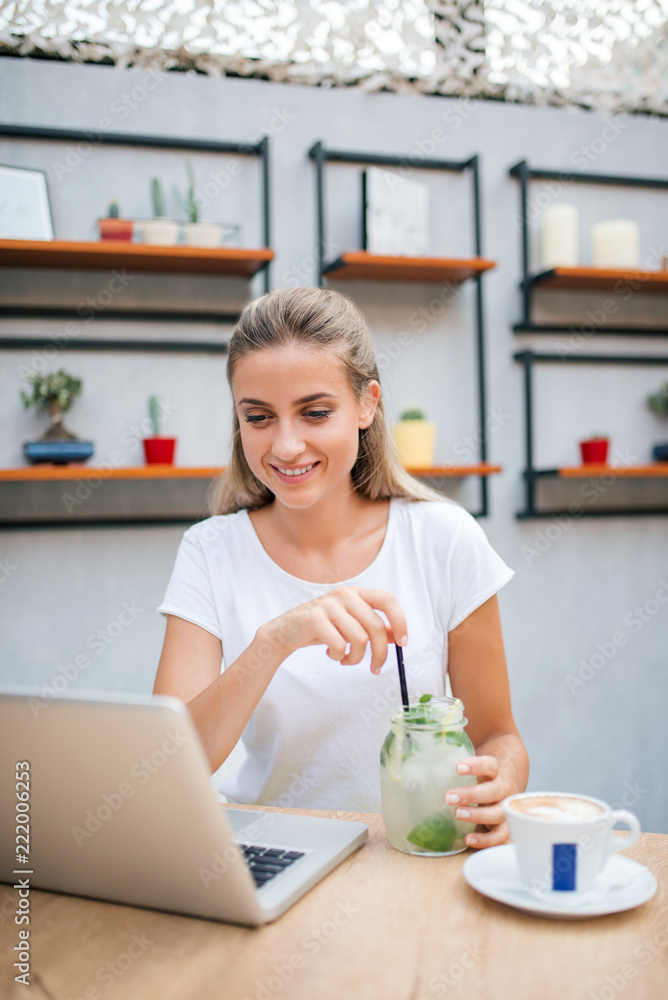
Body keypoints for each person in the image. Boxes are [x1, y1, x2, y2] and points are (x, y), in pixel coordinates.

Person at [153, 287, 528, 849]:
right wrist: (278, 638)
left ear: (366, 404)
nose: (286, 445)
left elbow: (499, 736)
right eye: (258, 417)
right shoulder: (209, 553)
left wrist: (502, 783)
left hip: (418, 856)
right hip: (268, 856)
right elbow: (166, 767)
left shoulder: (444, 540)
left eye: (315, 412)